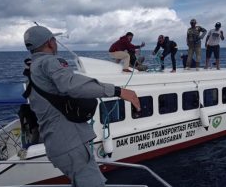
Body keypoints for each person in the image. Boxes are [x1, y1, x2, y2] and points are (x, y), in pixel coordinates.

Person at [23, 25, 141, 187]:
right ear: (50, 43)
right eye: (54, 40)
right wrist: (117, 91)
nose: (56, 43)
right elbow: (71, 84)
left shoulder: (31, 69)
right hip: (71, 144)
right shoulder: (49, 62)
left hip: (56, 144)